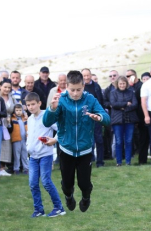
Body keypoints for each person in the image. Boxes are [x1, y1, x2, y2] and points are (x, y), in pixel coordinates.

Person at [44, 70, 110, 212]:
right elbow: (46, 122)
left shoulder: (90, 99)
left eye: (78, 89)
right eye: (72, 90)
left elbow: (106, 117)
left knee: (84, 183)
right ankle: (69, 196)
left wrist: (99, 117)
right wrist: (52, 109)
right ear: (66, 86)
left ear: (83, 87)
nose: (75, 93)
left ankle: (86, 198)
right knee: (67, 184)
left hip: (85, 149)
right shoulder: (60, 99)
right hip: (66, 149)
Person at [24, 92, 65, 218]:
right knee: (32, 183)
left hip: (45, 155)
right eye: (28, 105)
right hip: (33, 157)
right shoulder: (30, 119)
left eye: (33, 104)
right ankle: (38, 210)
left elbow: (61, 128)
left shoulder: (46, 116)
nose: (31, 107)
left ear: (39, 103)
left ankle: (58, 208)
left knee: (46, 181)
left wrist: (54, 140)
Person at [109, 76, 138, 166]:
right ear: (117, 84)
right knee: (119, 141)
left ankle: (128, 161)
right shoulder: (113, 93)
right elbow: (113, 104)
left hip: (129, 119)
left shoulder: (131, 92)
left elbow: (135, 104)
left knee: (129, 141)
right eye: (120, 83)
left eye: (123, 83)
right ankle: (119, 162)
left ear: (126, 84)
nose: (122, 85)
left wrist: (123, 108)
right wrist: (126, 103)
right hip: (117, 120)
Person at [82, 68, 106, 167]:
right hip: (86, 118)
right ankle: (89, 161)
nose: (87, 78)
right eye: (84, 76)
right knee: (88, 141)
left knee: (99, 140)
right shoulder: (80, 87)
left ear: (91, 75)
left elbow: (101, 101)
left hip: (96, 117)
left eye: (88, 75)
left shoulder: (96, 86)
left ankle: (100, 161)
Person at [0, 79, 16, 176]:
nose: (7, 89)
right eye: (5, 87)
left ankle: (2, 167)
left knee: (6, 145)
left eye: (9, 87)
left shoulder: (12, 97)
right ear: (0, 86)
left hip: (8, 123)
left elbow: (17, 107)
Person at [102, 70, 118, 161]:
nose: (112, 77)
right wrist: (111, 105)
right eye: (110, 76)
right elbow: (105, 102)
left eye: (114, 75)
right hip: (112, 115)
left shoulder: (123, 86)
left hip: (125, 116)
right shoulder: (107, 90)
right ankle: (114, 155)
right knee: (113, 139)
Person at [9, 104, 29, 174]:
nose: (18, 112)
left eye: (20, 110)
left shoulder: (25, 118)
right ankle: (16, 169)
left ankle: (26, 168)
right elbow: (10, 128)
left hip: (24, 140)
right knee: (16, 155)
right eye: (17, 110)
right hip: (16, 139)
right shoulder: (13, 119)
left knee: (24, 154)